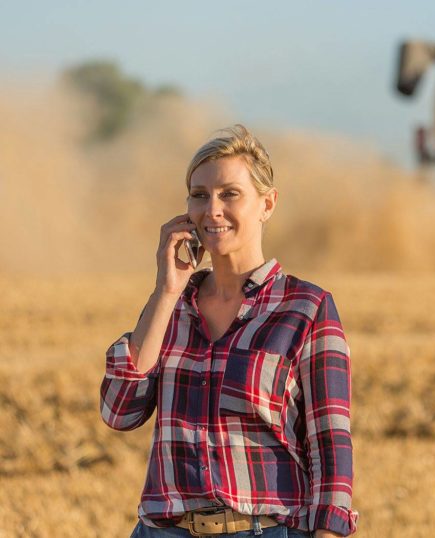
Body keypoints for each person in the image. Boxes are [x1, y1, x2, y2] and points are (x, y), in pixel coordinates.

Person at [100, 125, 358, 537]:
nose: (212, 209)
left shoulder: (305, 308)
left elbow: (330, 446)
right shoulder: (173, 308)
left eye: (229, 194)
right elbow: (119, 409)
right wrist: (166, 291)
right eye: (199, 195)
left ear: (267, 203)